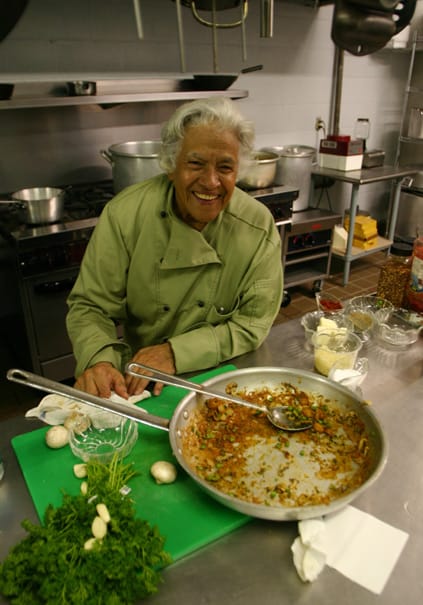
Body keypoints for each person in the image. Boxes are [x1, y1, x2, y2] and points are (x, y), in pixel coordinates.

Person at [66, 97, 283, 399]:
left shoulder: (257, 227)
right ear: (171, 165)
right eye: (195, 163)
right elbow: (90, 306)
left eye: (225, 167)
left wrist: (175, 353)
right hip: (142, 382)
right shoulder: (125, 215)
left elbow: (253, 323)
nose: (210, 182)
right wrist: (99, 359)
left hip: (225, 378)